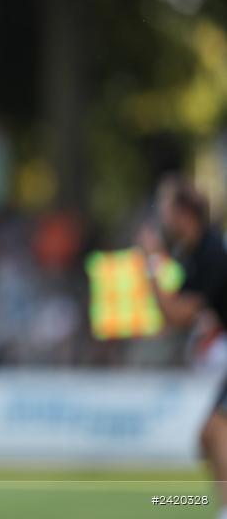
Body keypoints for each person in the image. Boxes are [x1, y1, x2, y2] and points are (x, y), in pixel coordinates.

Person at [139, 174, 227, 518]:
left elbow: (176, 315)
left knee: (217, 430)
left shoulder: (211, 252)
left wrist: (151, 265)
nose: (161, 218)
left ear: (183, 213)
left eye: (165, 209)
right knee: (209, 436)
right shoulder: (193, 253)